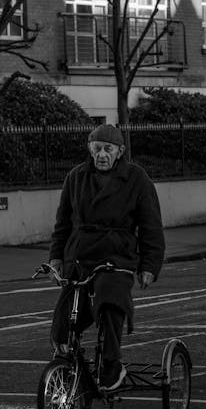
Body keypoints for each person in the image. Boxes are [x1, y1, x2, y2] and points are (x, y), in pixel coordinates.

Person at [48, 123, 165, 391]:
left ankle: (111, 366)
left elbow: (151, 226)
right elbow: (62, 224)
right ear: (90, 149)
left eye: (108, 149)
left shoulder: (137, 178)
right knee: (63, 322)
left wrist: (149, 266)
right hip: (78, 258)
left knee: (110, 304)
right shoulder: (75, 177)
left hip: (116, 257)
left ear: (120, 151)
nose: (102, 154)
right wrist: (56, 257)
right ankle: (68, 364)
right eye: (97, 148)